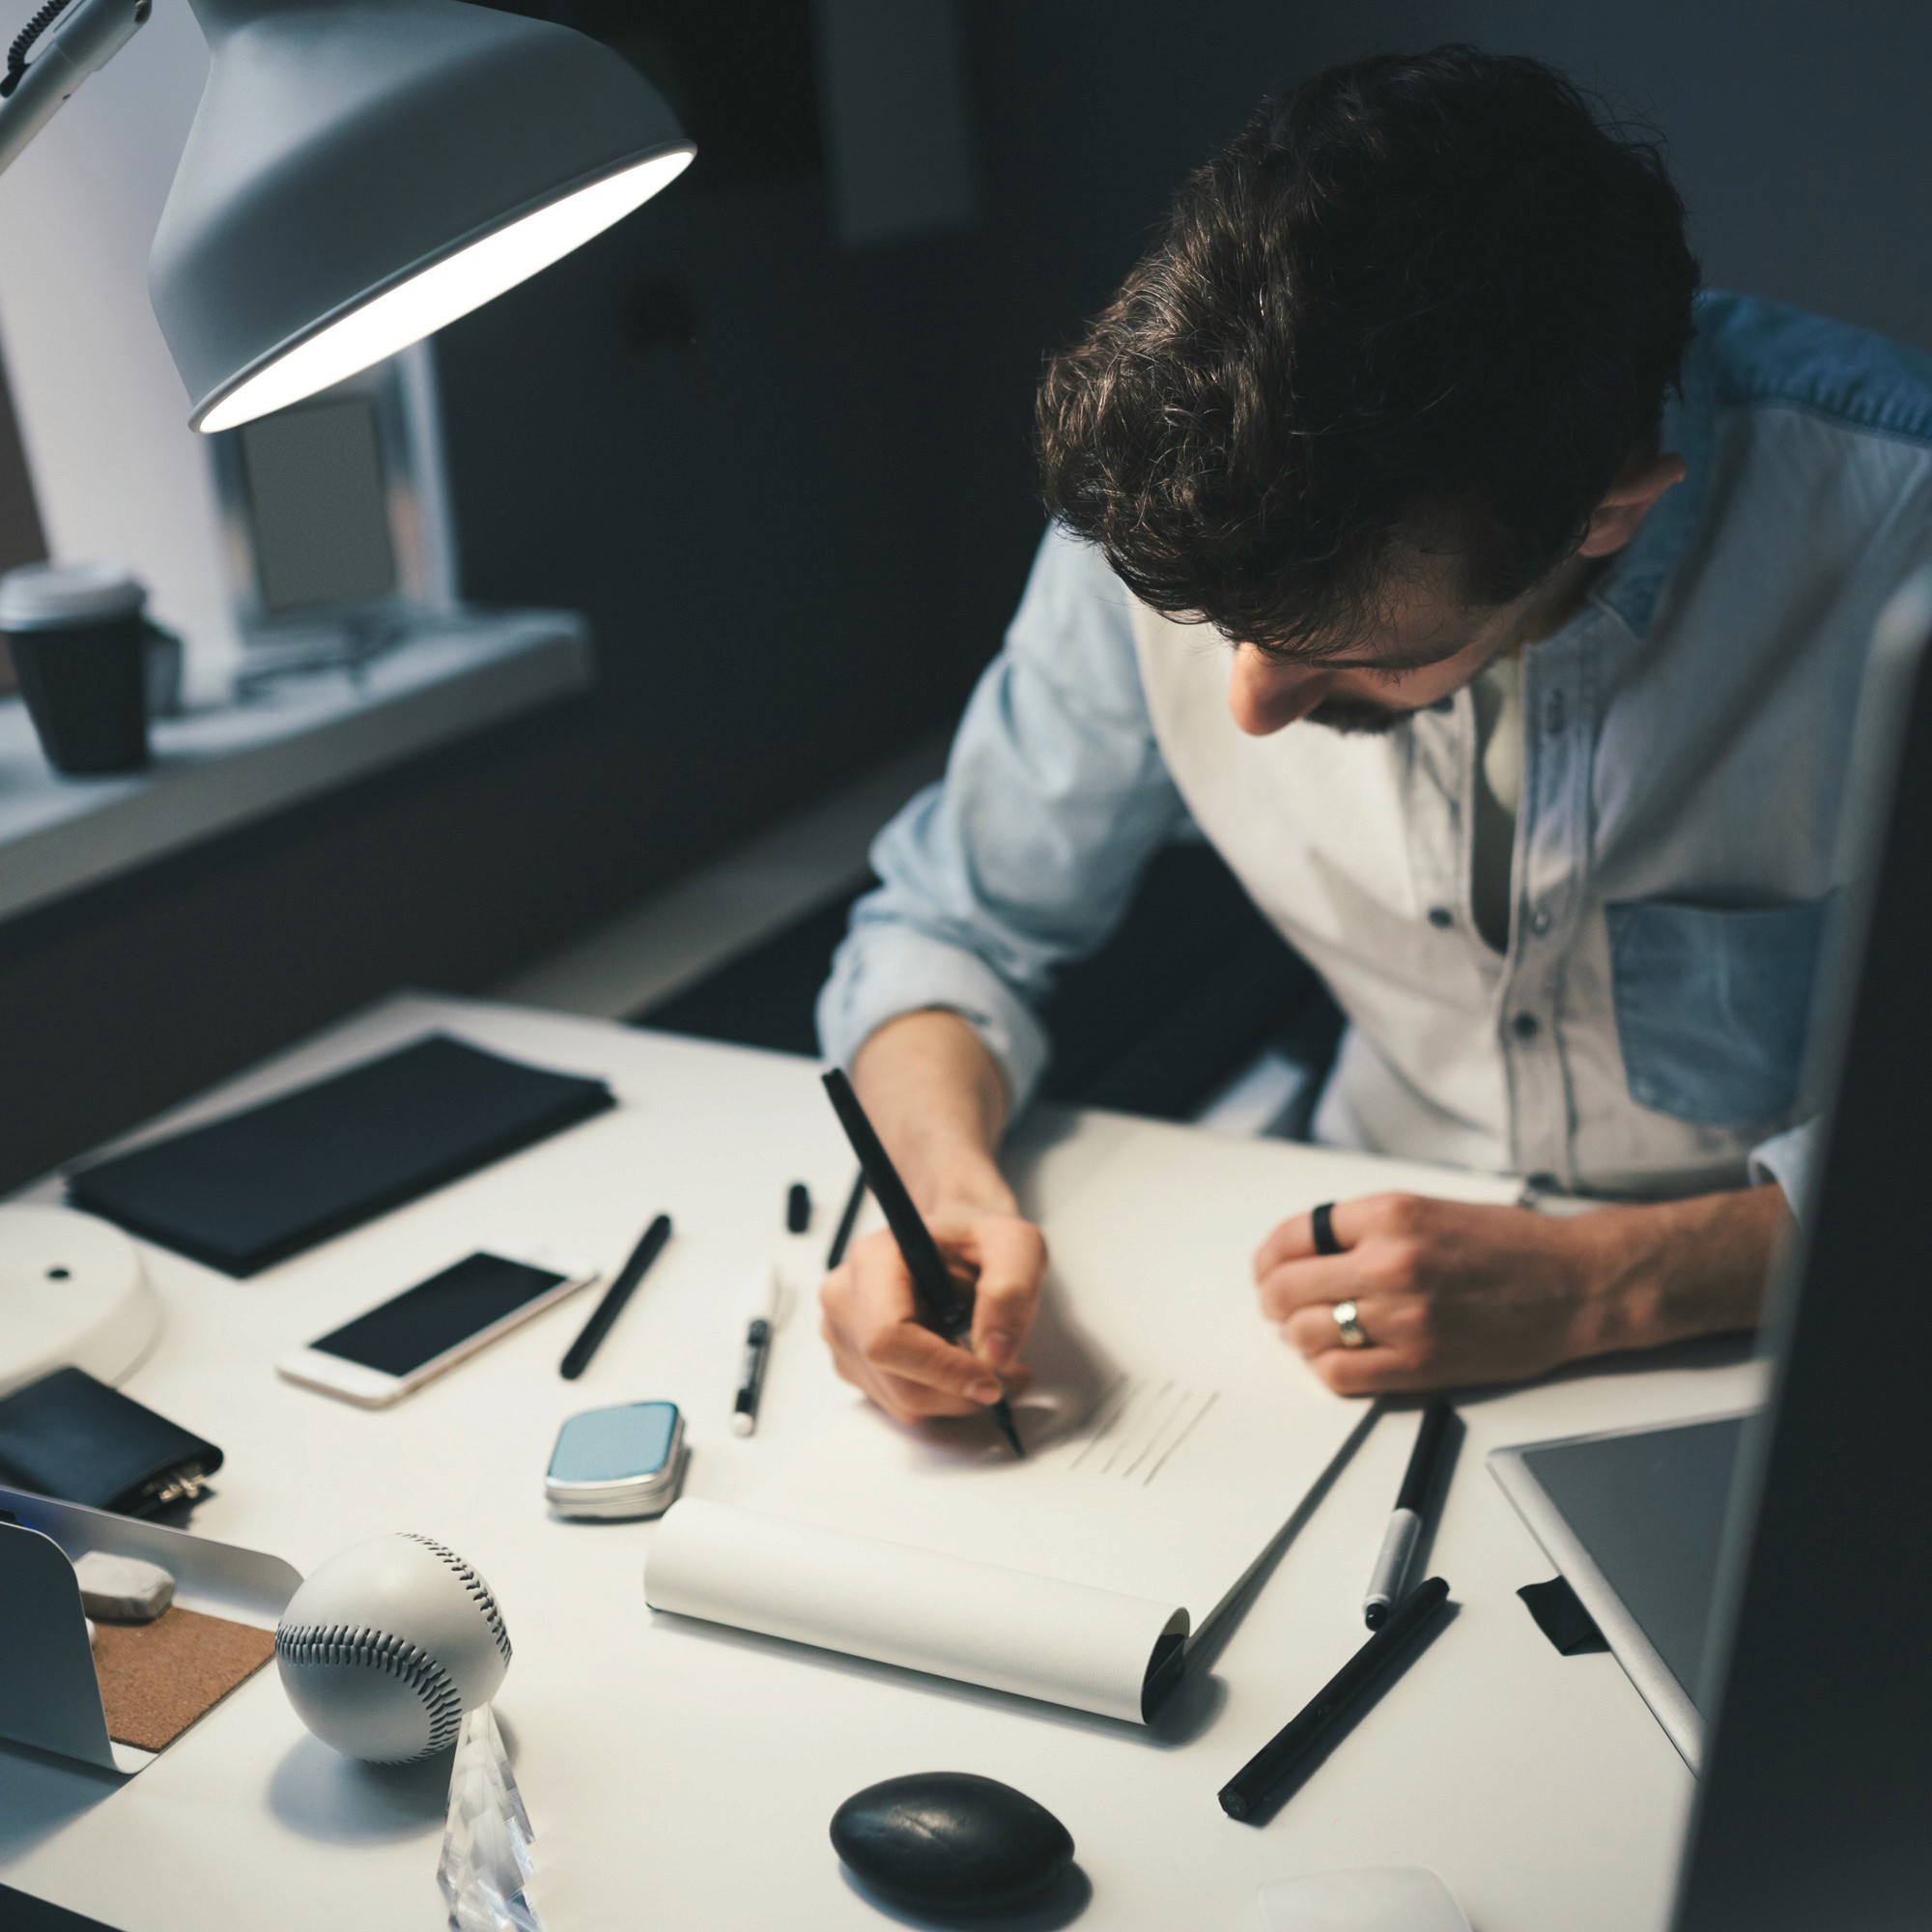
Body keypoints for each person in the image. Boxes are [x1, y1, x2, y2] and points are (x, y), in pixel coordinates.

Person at [813, 45, 1932, 1420]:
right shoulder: (1176, 514)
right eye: (1221, 632)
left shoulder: (1899, 536)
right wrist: (934, 1198)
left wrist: (1609, 1282)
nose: (1248, 705)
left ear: (1607, 518)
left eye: (1358, 659)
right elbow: (951, 926)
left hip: (1792, 1345)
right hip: (1337, 1289)